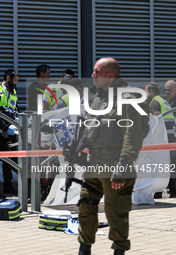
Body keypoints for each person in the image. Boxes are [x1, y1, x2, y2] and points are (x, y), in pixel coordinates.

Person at [74, 58, 144, 255]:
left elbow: (133, 134)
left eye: (97, 72)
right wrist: (79, 146)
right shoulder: (97, 97)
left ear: (110, 76)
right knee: (85, 206)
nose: (93, 76)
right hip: (93, 164)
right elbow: (89, 124)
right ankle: (84, 249)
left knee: (116, 213)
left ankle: (119, 251)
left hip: (116, 165)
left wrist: (123, 165)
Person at [145, 82, 176, 198]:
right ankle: (162, 192)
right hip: (172, 139)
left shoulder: (155, 103)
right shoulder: (165, 102)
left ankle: (163, 192)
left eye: (145, 91)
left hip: (164, 140)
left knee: (162, 166)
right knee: (169, 167)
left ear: (151, 92)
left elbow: (156, 120)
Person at [0, 70, 19, 195]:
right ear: (8, 78)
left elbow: (14, 109)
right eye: (14, 80)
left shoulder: (13, 91)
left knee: (8, 158)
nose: (16, 83)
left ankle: (8, 186)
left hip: (9, 129)